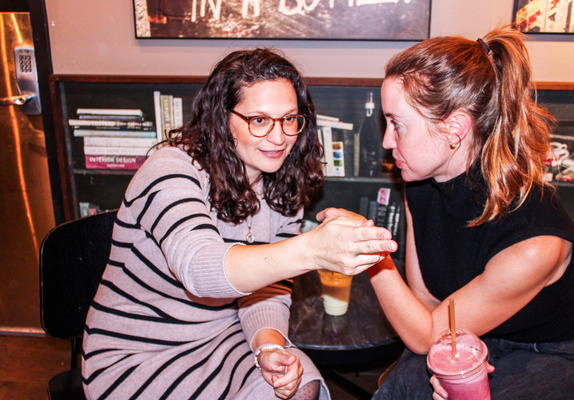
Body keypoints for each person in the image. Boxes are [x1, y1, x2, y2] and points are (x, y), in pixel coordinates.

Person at [81, 48, 397, 400]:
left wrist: (268, 347)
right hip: (138, 354)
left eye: (289, 118)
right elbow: (200, 270)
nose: (279, 138)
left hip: (223, 334)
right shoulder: (170, 169)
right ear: (221, 119)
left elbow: (265, 289)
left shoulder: (281, 185)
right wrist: (312, 249)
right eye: (258, 120)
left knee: (303, 387)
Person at [318, 27, 574, 399]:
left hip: (558, 351)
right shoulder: (419, 184)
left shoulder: (535, 243)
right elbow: (427, 302)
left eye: (397, 125)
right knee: (397, 391)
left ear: (454, 129)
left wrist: (369, 250)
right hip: (470, 333)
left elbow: (424, 335)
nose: (387, 142)